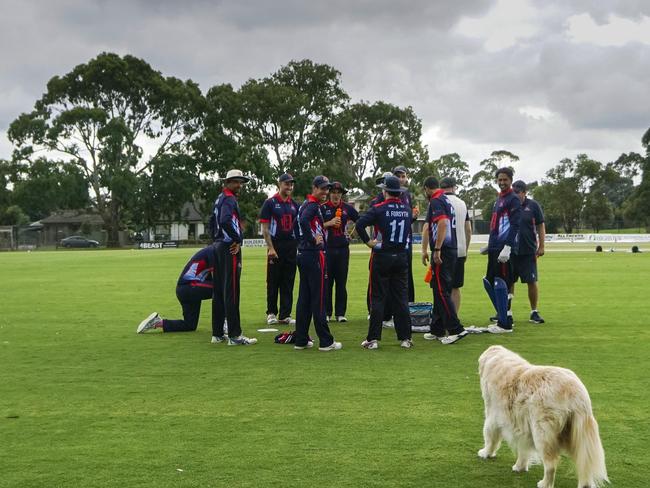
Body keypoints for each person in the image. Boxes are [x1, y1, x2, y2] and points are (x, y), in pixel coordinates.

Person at [355, 175, 413, 349]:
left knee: (378, 297)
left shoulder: (378, 208)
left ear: (385, 191)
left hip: (382, 256)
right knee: (401, 298)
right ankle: (406, 338)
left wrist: (368, 242)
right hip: (401, 256)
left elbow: (359, 225)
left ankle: (373, 339)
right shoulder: (407, 210)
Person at [294, 175, 342, 351]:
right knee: (319, 298)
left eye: (327, 188)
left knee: (304, 299)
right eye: (322, 188)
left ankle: (301, 339)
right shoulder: (312, 205)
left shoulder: (305, 205)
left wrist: (302, 241)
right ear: (314, 188)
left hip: (304, 254)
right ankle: (326, 341)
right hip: (314, 254)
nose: (325, 192)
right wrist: (312, 239)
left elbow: (296, 223)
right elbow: (303, 221)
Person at [210, 169, 257, 345]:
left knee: (219, 291)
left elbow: (211, 221)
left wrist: (215, 239)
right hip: (229, 247)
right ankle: (235, 335)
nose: (239, 185)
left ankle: (217, 333)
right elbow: (224, 220)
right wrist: (237, 239)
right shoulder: (229, 199)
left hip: (218, 246)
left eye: (241, 182)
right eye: (236, 181)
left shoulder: (220, 198)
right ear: (228, 182)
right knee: (232, 291)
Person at [420, 177, 469, 344]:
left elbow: (442, 223)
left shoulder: (436, 201)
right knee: (438, 288)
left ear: (427, 188)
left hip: (444, 250)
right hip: (452, 249)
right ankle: (437, 328)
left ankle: (456, 329)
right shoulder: (446, 200)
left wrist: (437, 248)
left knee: (441, 290)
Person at [136, 246, 222, 334]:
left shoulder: (211, 250)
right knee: (222, 289)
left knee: (190, 325)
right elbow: (217, 278)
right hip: (189, 287)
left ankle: (158, 323)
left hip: (185, 289)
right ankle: (225, 324)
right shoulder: (213, 251)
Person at [483, 167, 522, 334]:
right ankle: (503, 316)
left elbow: (515, 224)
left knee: (501, 282)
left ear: (511, 180)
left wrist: (507, 247)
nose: (502, 182)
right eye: (499, 179)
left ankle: (505, 324)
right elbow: (496, 224)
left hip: (504, 248)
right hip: (495, 247)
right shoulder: (498, 199)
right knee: (489, 281)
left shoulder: (513, 199)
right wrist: (490, 245)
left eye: (505, 179)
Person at [259, 173, 300, 326]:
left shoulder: (295, 205)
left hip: (291, 246)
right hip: (275, 246)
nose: (289, 187)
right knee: (273, 281)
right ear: (280, 184)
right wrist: (270, 248)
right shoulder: (270, 203)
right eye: (286, 184)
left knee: (288, 281)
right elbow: (265, 227)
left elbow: (299, 226)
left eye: (291, 184)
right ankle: (271, 312)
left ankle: (285, 314)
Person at [321, 181, 359, 322]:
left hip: (343, 249)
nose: (336, 195)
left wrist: (352, 234)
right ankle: (327, 312)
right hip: (327, 249)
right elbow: (316, 225)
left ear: (342, 194)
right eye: (334, 192)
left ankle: (340, 313)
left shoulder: (347, 208)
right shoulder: (323, 208)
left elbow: (360, 221)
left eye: (339, 192)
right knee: (327, 282)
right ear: (329, 193)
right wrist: (329, 223)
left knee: (341, 282)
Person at [511, 180, 546, 324]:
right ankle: (505, 311)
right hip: (510, 250)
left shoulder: (533, 206)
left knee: (531, 281)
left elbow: (540, 226)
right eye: (514, 192)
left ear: (524, 192)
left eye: (518, 192)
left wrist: (542, 246)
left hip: (528, 250)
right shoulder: (508, 204)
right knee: (508, 282)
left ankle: (534, 311)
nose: (515, 195)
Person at [440, 177, 472, 312]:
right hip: (459, 250)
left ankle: (444, 318)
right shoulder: (462, 203)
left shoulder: (438, 202)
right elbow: (468, 230)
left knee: (441, 287)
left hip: (443, 250)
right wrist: (465, 249)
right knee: (455, 287)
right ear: (454, 187)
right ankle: (454, 318)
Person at [392, 165, 419, 303]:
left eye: (403, 176)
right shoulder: (388, 194)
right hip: (392, 242)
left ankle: (409, 304)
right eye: (398, 176)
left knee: (407, 273)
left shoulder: (407, 195)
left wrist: (413, 216)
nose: (401, 179)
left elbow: (407, 219)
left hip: (407, 241)